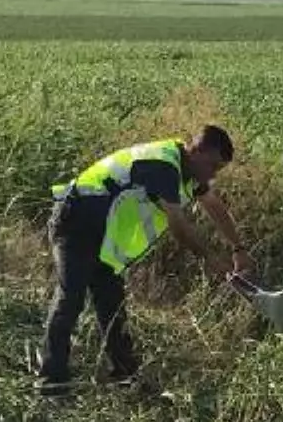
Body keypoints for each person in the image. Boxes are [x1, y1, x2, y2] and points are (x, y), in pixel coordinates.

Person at [36, 126, 254, 391]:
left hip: (103, 235)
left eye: (219, 169)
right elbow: (179, 225)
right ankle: (51, 379)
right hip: (76, 221)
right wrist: (209, 259)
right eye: (212, 165)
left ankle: (125, 377)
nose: (213, 174)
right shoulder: (163, 165)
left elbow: (214, 206)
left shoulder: (188, 172)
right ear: (196, 151)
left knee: (112, 305)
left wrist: (238, 249)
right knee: (71, 297)